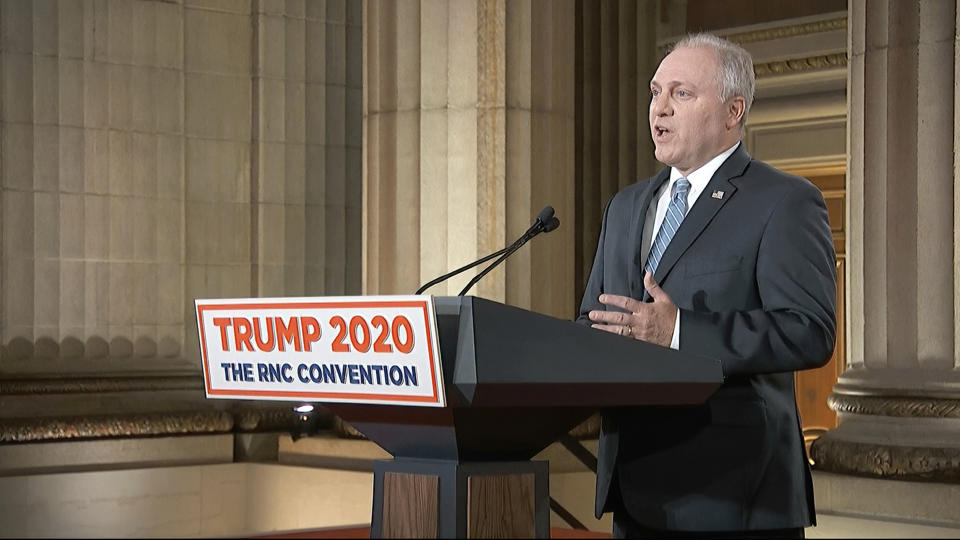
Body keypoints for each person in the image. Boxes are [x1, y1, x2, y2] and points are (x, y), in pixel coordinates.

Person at [578, 33, 837, 538]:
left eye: (681, 93)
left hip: (734, 494)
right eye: (655, 92)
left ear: (732, 111)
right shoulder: (625, 206)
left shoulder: (783, 201)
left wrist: (680, 332)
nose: (660, 108)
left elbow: (808, 331)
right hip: (633, 488)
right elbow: (594, 319)